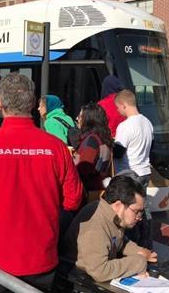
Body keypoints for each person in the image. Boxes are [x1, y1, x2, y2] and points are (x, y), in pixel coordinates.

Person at [0, 73, 83, 292]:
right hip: (40, 255)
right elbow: (73, 200)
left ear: (1, 103)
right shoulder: (55, 147)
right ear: (34, 103)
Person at [61, 175, 157, 282]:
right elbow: (100, 271)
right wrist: (138, 262)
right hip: (79, 278)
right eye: (136, 211)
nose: (139, 217)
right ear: (118, 205)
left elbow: (117, 241)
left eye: (141, 212)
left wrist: (139, 251)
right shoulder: (95, 225)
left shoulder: (111, 214)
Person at [114, 89, 154, 248]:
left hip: (129, 174)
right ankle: (147, 243)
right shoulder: (147, 122)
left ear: (123, 105)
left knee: (128, 214)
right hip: (144, 171)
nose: (118, 111)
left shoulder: (125, 126)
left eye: (118, 107)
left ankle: (130, 247)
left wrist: (110, 144)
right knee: (142, 211)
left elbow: (118, 153)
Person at [74, 102, 114, 197]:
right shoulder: (102, 138)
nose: (77, 119)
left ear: (88, 120)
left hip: (87, 192)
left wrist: (73, 163)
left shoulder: (91, 141)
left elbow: (84, 168)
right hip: (97, 189)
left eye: (80, 116)